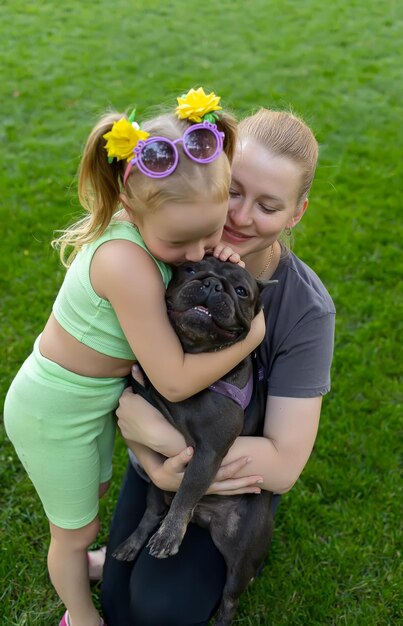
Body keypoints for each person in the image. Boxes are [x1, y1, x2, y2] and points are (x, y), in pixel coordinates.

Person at [3, 88, 265, 626]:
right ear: (129, 204)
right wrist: (249, 337)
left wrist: (212, 257)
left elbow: (192, 257)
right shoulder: (127, 264)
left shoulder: (157, 231)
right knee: (73, 534)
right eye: (182, 244)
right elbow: (171, 382)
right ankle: (79, 616)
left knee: (89, 506)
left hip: (91, 402)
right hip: (56, 411)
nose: (197, 256)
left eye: (209, 234)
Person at [100, 107, 336, 626]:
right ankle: (116, 562)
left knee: (156, 612)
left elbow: (283, 464)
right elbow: (111, 373)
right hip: (159, 464)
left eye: (269, 205)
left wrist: (165, 455)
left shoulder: (305, 309)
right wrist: (146, 451)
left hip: (230, 483)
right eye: (234, 190)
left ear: (296, 214)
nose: (242, 216)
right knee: (118, 604)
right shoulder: (163, 246)